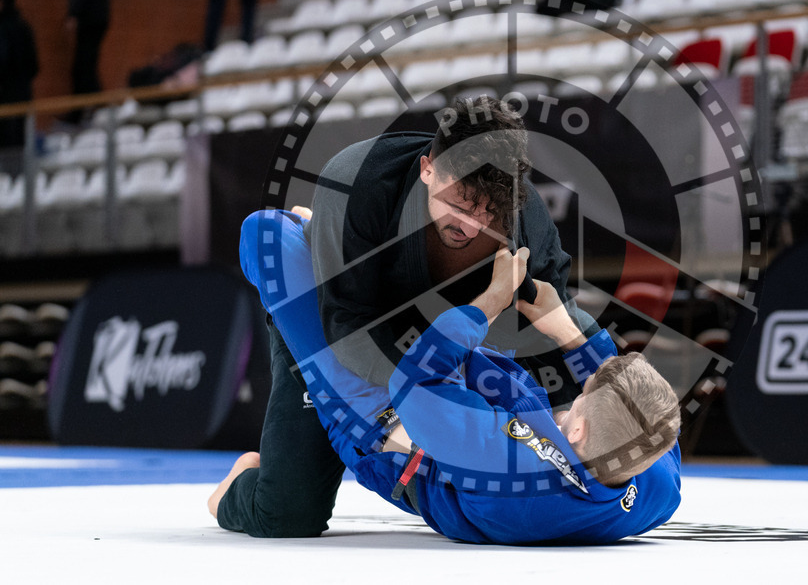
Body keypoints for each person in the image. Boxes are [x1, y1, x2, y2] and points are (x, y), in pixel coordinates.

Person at [214, 96, 600, 538]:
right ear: (427, 168)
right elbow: (345, 327)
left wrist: (572, 411)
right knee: (285, 516)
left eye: (488, 212)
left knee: (478, 473)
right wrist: (429, 402)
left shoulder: (523, 216)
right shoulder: (358, 182)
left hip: (451, 352)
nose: (472, 225)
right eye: (459, 203)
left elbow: (552, 319)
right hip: (344, 325)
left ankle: (317, 234)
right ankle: (236, 482)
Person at [213, 206, 682, 544]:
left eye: (575, 405)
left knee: (267, 235)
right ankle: (332, 265)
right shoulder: (652, 487)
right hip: (466, 391)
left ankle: (318, 276)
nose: (571, 403)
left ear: (577, 428)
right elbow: (655, 424)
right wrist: (567, 330)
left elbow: (413, 382)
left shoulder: (511, 479)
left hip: (381, 411)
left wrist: (489, 303)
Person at [53, 0, 110, 116]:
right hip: (98, 18)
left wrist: (73, 13)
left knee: (83, 67)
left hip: (90, 20)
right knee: (86, 66)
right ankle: (91, 109)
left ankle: (89, 110)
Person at [0, 0, 39, 148]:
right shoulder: (24, 26)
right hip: (22, 96)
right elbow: (34, 66)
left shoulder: (7, 29)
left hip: (9, 100)